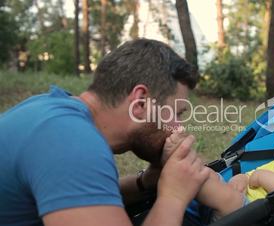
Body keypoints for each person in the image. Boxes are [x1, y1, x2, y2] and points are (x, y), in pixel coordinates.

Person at [0, 39, 210, 226]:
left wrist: (145, 182)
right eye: (176, 113)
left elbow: (85, 196)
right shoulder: (73, 143)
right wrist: (173, 197)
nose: (179, 127)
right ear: (140, 102)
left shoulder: (56, 113)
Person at [164, 112, 274, 220]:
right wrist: (240, 178)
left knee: (207, 180)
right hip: (233, 207)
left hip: (253, 216)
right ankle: (185, 167)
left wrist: (261, 176)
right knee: (211, 176)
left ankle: (183, 163)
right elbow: (248, 177)